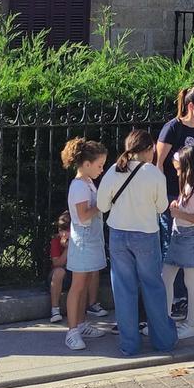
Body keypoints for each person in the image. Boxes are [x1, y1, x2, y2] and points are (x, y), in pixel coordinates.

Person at [97, 130, 176, 356]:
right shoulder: (154, 174)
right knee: (153, 287)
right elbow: (162, 208)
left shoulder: (113, 170)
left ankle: (129, 345)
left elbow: (102, 206)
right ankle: (163, 340)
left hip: (118, 234)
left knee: (123, 290)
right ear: (149, 149)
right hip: (146, 234)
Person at [157, 86, 194, 320]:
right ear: (191, 106)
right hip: (173, 193)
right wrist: (162, 196)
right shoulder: (173, 128)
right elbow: (158, 163)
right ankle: (174, 297)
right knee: (172, 244)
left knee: (188, 244)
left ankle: (183, 297)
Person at [59, 138, 110, 351]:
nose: (102, 169)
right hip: (83, 241)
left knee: (87, 280)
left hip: (92, 239)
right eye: (99, 165)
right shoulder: (79, 186)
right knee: (78, 286)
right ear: (87, 164)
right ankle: (72, 331)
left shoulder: (88, 182)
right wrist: (101, 204)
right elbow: (83, 216)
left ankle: (80, 323)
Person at [162, 146, 194, 340]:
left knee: (190, 280)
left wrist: (179, 213)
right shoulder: (188, 186)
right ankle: (165, 320)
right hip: (177, 234)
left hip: (189, 237)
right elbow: (186, 210)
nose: (177, 173)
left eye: (179, 169)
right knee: (166, 277)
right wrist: (178, 206)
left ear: (189, 168)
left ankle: (191, 324)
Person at [48, 212, 72, 323]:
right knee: (59, 271)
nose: (64, 234)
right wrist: (67, 249)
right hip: (58, 276)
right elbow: (57, 263)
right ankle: (55, 310)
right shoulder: (56, 241)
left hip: (74, 274)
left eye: (67, 231)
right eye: (61, 230)